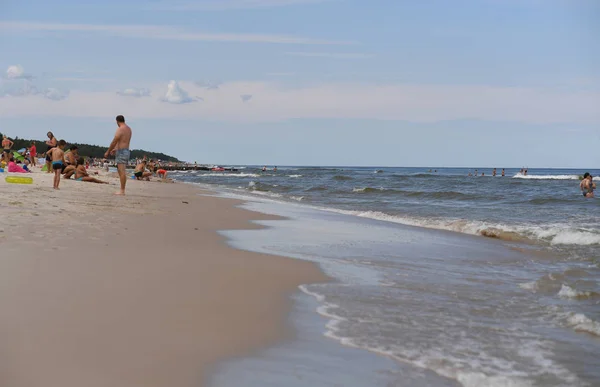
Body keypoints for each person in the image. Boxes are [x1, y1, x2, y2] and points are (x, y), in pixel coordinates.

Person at [104, 115, 132, 195]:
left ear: (117, 121)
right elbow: (123, 141)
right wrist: (115, 149)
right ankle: (122, 189)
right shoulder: (128, 129)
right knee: (121, 171)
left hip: (122, 152)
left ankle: (122, 190)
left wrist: (108, 151)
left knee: (121, 171)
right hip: (126, 150)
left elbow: (114, 141)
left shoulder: (120, 129)